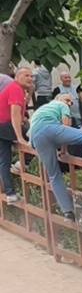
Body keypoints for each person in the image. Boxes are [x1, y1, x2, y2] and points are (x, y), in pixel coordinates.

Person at [26, 94, 82, 220]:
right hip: (51, 129)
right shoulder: (61, 105)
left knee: (54, 175)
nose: (70, 103)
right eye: (68, 100)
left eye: (71, 102)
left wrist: (59, 149)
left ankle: (67, 211)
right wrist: (65, 150)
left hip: (36, 138)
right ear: (58, 99)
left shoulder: (41, 109)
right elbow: (65, 126)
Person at [0, 67, 34, 204]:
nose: (30, 78)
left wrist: (30, 93)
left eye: (32, 76)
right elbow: (15, 115)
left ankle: (10, 194)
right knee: (36, 136)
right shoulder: (15, 88)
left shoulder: (17, 89)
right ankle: (22, 163)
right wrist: (20, 137)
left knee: (4, 160)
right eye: (27, 75)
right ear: (17, 77)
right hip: (5, 124)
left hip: (1, 125)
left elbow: (19, 112)